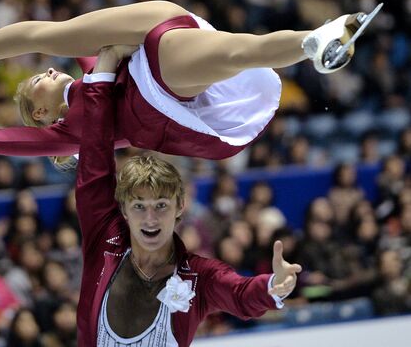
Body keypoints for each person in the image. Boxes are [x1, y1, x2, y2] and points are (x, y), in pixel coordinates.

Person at [0, 0, 367, 162]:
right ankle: (312, 41)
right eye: (35, 87)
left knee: (54, 34)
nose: (44, 73)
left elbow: (61, 43)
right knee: (238, 52)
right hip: (162, 96)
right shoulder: (69, 136)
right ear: (43, 115)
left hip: (157, 53)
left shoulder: (87, 70)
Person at [69, 45, 300, 345]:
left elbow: (240, 294)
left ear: (180, 206)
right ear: (124, 209)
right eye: (139, 205)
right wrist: (103, 73)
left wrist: (273, 287)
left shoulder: (198, 277)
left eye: (161, 205)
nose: (150, 218)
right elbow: (95, 158)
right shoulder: (104, 237)